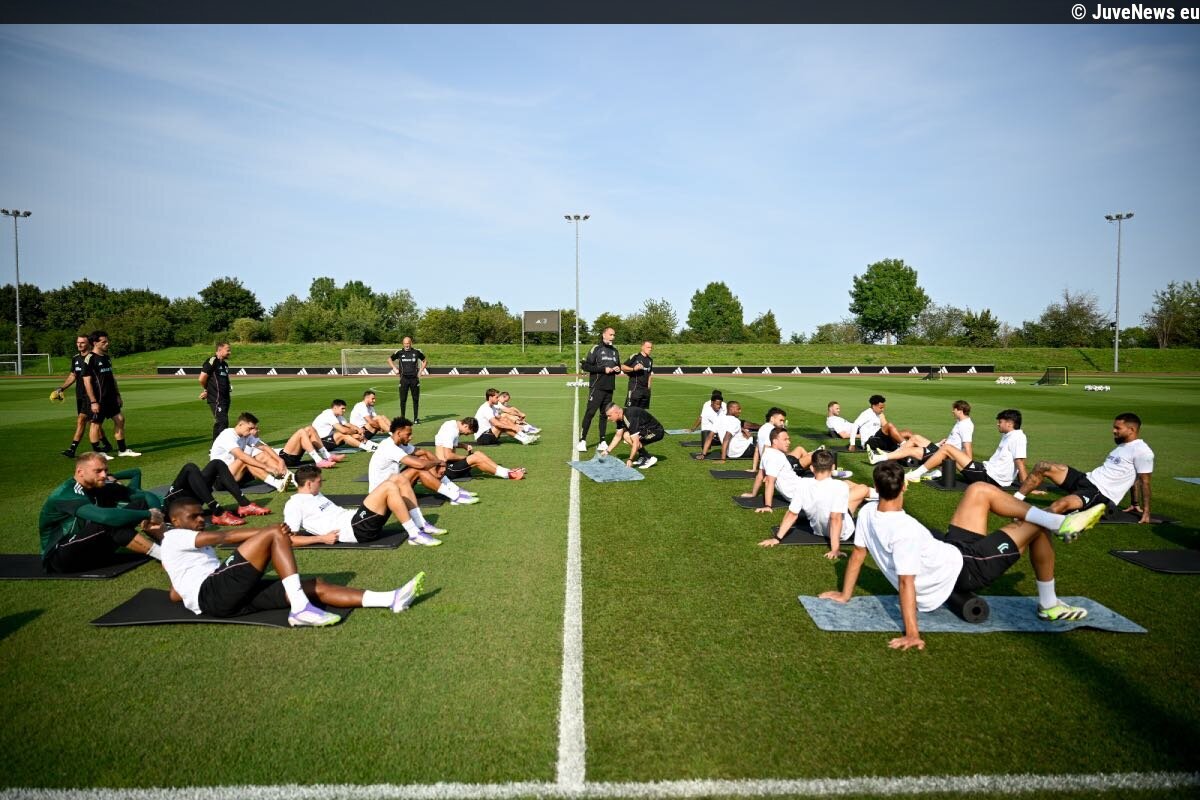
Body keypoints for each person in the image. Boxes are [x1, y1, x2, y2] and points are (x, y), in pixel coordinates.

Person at [819, 461, 1106, 650]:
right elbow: (906, 583)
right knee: (1035, 525)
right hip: (967, 568)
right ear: (904, 486)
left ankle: (1057, 523)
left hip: (951, 550)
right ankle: (1049, 602)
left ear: (877, 488)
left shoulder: (868, 512)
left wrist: (845, 595)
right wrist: (912, 633)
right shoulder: (905, 530)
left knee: (979, 490)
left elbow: (857, 555)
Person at [159, 495, 426, 626]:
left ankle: (391, 599)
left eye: (201, 515)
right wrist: (268, 531)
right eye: (193, 517)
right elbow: (224, 536)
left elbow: (176, 591)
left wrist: (180, 591)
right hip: (213, 593)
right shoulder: (174, 536)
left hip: (228, 599)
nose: (201, 520)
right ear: (175, 521)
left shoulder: (185, 545)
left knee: (315, 586)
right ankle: (300, 610)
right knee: (274, 533)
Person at [1012, 413, 1155, 523]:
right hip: (1086, 479)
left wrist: (1146, 511)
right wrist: (1134, 503)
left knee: (1060, 505)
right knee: (1042, 466)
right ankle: (1015, 501)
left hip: (1099, 494)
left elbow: (1145, 481)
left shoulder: (1143, 452)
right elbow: (1134, 479)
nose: (1113, 430)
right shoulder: (1123, 446)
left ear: (1131, 430)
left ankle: (1029, 519)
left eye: (1118, 428)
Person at [38, 453, 164, 573]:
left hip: (91, 548)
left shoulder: (101, 486)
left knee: (139, 504)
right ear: (80, 472)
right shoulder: (66, 493)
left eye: (105, 470)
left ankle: (166, 542)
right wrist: (147, 515)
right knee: (111, 520)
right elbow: (105, 517)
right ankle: (164, 555)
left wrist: (156, 513)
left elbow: (146, 496)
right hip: (59, 557)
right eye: (98, 471)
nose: (104, 475)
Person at [284, 464, 445, 546]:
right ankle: (414, 534)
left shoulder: (315, 494)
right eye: (319, 482)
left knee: (398, 478)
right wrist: (322, 538)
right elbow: (290, 540)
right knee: (389, 486)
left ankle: (420, 524)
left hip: (355, 519)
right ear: (309, 484)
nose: (321, 484)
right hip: (354, 530)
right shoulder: (294, 504)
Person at [758, 449, 872, 559]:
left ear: (812, 468)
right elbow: (835, 518)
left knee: (851, 488)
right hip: (844, 532)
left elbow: (792, 514)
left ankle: (876, 494)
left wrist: (777, 538)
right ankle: (877, 494)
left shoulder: (802, 483)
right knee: (862, 488)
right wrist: (835, 549)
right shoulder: (840, 486)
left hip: (818, 530)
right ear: (833, 467)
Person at [367, 416, 479, 505]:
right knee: (419, 469)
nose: (411, 437)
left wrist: (441, 464)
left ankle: (454, 489)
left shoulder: (400, 443)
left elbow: (425, 453)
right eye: (408, 434)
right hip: (381, 494)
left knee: (423, 458)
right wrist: (438, 462)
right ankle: (454, 496)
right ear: (398, 433)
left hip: (392, 485)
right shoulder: (389, 447)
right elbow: (421, 465)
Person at [905, 409, 1027, 487]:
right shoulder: (1010, 435)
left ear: (1009, 424)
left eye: (1000, 422)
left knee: (947, 448)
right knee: (949, 451)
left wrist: (1025, 486)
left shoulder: (1017, 437)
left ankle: (916, 474)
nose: (998, 424)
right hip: (987, 471)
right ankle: (937, 472)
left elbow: (1020, 462)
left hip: (989, 477)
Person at [81, 330, 140, 457]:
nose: (107, 343)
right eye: (104, 342)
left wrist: (118, 395)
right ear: (95, 343)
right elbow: (86, 382)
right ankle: (98, 453)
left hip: (111, 397)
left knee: (120, 419)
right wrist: (93, 401)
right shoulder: (90, 359)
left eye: (107, 341)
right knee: (95, 424)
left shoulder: (107, 357)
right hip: (98, 399)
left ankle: (122, 450)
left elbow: (112, 378)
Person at [54, 333, 112, 458]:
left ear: (89, 344)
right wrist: (62, 388)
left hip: (91, 396)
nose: (79, 345)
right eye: (78, 342)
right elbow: (73, 375)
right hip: (80, 395)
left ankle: (73, 449)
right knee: (92, 421)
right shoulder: (76, 358)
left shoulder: (93, 358)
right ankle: (106, 444)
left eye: (82, 342)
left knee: (83, 420)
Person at [163, 460, 271, 527]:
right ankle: (218, 512)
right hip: (172, 506)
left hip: (192, 500)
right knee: (189, 467)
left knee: (217, 463)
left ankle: (245, 504)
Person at [868, 400, 972, 468]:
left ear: (960, 411)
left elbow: (967, 447)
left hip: (943, 454)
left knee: (910, 450)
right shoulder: (960, 422)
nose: (952, 412)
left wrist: (969, 466)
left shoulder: (965, 425)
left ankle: (881, 457)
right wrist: (941, 443)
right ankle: (888, 456)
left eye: (954, 410)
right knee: (915, 437)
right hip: (941, 449)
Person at [210, 412, 291, 491]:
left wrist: (280, 460)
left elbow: (264, 447)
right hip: (220, 479)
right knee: (245, 460)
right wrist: (266, 467)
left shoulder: (246, 435)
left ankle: (288, 476)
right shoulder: (227, 435)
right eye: (250, 428)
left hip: (236, 475)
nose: (251, 431)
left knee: (262, 455)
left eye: (253, 428)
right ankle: (277, 484)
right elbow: (242, 456)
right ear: (241, 424)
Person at [435, 417, 526, 482]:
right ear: (466, 426)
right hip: (445, 470)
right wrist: (466, 458)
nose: (467, 435)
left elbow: (446, 443)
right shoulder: (452, 431)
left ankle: (507, 471)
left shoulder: (451, 424)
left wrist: (463, 445)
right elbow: (448, 456)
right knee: (475, 458)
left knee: (478, 453)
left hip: (449, 464)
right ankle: (508, 475)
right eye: (468, 433)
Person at [746, 427, 818, 507]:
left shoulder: (768, 452)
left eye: (788, 439)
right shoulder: (775, 457)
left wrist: (753, 494)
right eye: (785, 440)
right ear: (775, 441)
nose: (789, 442)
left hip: (803, 486)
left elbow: (760, 476)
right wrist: (768, 506)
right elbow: (769, 481)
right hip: (802, 492)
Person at [577, 327, 621, 452]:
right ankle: (582, 440)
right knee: (590, 413)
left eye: (614, 335)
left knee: (604, 415)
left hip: (609, 388)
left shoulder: (615, 351)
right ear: (604, 335)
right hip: (596, 387)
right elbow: (586, 366)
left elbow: (618, 366)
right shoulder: (596, 348)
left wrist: (617, 369)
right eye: (610, 335)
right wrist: (603, 369)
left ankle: (602, 441)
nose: (612, 337)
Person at [848, 394, 928, 454]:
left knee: (907, 432)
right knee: (889, 425)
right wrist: (852, 444)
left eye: (883, 407)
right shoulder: (866, 414)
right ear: (874, 406)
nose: (883, 410)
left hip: (880, 440)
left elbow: (885, 427)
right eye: (881, 408)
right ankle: (904, 447)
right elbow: (855, 425)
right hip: (870, 442)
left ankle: (926, 448)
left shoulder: (879, 414)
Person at [604, 403, 665, 469]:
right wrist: (607, 451)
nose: (608, 418)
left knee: (629, 437)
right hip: (645, 430)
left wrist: (630, 459)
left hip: (656, 431)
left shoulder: (630, 417)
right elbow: (617, 437)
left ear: (616, 412)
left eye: (609, 416)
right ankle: (643, 456)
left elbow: (636, 442)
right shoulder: (620, 418)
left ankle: (649, 458)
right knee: (627, 435)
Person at [312, 399, 378, 453]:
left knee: (353, 435)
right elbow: (343, 430)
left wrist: (358, 430)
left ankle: (370, 445)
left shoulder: (338, 415)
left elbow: (348, 425)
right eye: (342, 408)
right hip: (319, 444)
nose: (344, 410)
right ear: (335, 408)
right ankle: (367, 448)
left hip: (327, 441)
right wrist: (356, 431)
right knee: (342, 434)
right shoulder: (328, 415)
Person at [198, 341, 232, 442]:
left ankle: (215, 447)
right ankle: (221, 446)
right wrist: (206, 390)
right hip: (216, 398)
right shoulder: (212, 361)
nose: (230, 352)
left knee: (220, 422)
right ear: (220, 350)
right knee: (222, 422)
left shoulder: (225, 364)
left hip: (225, 398)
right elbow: (202, 379)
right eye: (228, 350)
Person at [388, 337, 426, 423]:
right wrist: (394, 368)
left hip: (414, 379)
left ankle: (415, 419)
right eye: (405, 343)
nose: (407, 345)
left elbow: (425, 360)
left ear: (411, 343)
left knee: (415, 399)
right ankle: (403, 419)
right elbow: (389, 359)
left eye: (408, 343)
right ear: (403, 344)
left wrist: (420, 370)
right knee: (403, 400)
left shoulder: (416, 352)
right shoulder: (399, 352)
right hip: (403, 379)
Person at [623, 340, 654, 409]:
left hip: (645, 390)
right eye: (648, 347)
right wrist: (633, 369)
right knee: (632, 410)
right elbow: (623, 367)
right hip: (635, 389)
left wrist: (648, 387)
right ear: (642, 347)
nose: (650, 349)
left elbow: (649, 374)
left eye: (651, 347)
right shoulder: (635, 356)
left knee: (642, 412)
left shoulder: (650, 360)